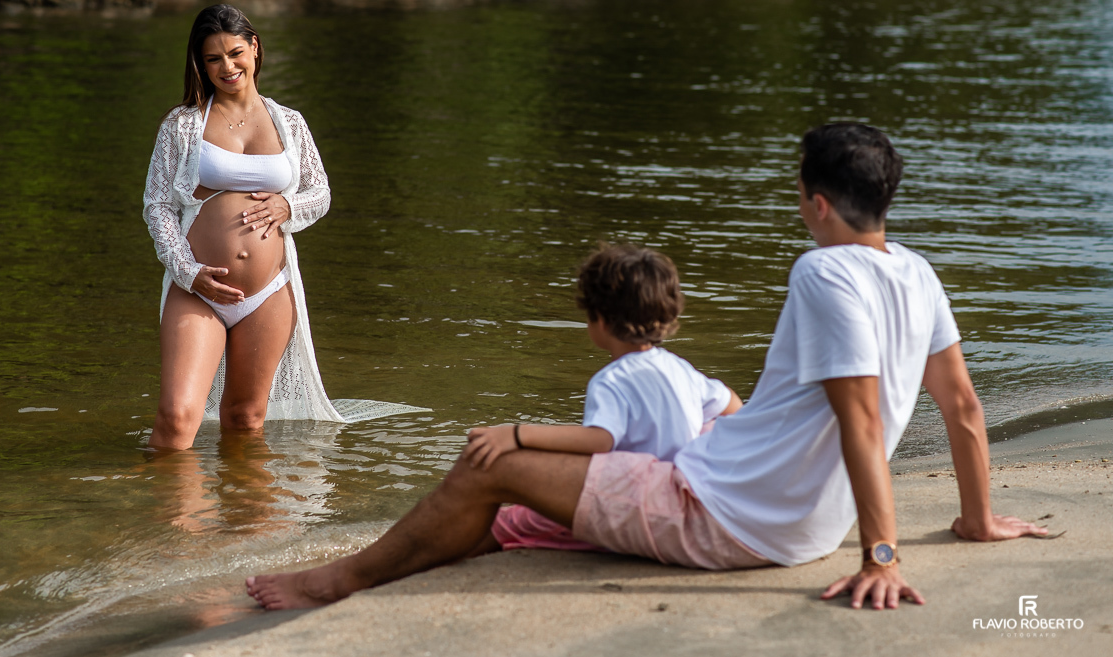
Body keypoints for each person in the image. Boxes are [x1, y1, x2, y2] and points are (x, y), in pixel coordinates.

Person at [245, 123, 1048, 612]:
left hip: (726, 511)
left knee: (487, 466)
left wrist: (883, 555)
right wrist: (975, 519)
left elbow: (862, 416)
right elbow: (964, 408)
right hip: (793, 519)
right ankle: (485, 538)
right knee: (534, 501)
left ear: (816, 202)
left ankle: (336, 581)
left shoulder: (822, 271)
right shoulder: (917, 271)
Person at [143, 4, 344, 451]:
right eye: (213, 59)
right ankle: (161, 521)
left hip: (271, 291)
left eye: (235, 53)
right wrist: (187, 271)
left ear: (255, 48)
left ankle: (245, 520)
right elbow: (157, 206)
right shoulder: (182, 125)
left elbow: (321, 192)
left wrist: (287, 205)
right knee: (176, 420)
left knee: (246, 418)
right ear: (200, 63)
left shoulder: (289, 123)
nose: (227, 67)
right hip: (198, 287)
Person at [466, 243, 743, 553]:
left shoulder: (612, 379)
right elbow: (732, 405)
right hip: (672, 496)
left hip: (626, 504)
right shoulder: (680, 369)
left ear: (600, 320)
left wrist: (517, 435)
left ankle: (448, 561)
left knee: (510, 521)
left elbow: (601, 440)